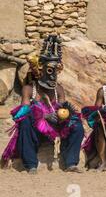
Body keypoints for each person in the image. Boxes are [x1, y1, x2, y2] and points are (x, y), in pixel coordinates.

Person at [1, 35, 84, 174]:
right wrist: (43, 116)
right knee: (26, 122)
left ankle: (70, 162)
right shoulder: (29, 89)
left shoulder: (58, 89)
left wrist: (65, 116)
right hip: (37, 130)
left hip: (55, 127)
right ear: (42, 70)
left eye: (55, 71)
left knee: (77, 125)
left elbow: (63, 109)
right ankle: (31, 164)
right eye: (50, 71)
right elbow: (21, 114)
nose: (53, 76)